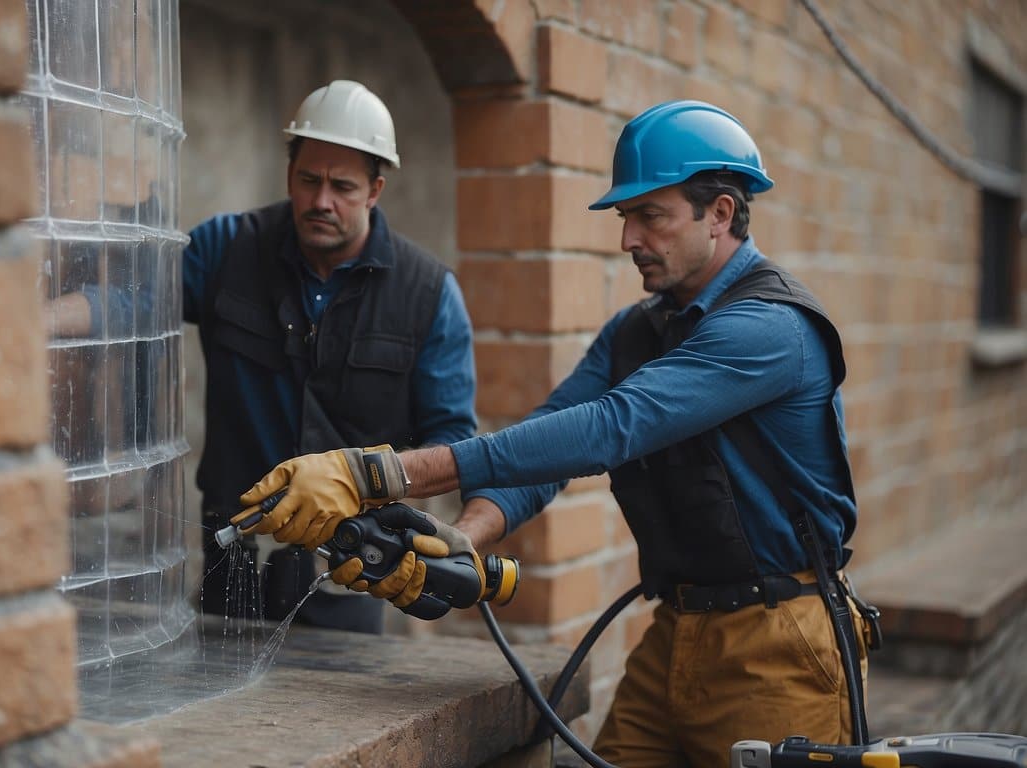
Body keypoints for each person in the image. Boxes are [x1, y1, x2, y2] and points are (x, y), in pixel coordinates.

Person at [234, 100, 874, 765]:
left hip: (781, 641)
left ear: (719, 214)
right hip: (677, 629)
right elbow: (548, 442)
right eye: (627, 217)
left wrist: (378, 474)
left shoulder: (770, 329)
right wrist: (462, 538)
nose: (628, 239)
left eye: (650, 216)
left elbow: (612, 428)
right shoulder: (636, 332)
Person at [54, 80, 477, 635]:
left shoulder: (428, 296)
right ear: (289, 174)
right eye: (309, 180)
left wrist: (384, 503)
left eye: (342, 187)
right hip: (232, 570)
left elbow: (452, 445)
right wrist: (31, 322)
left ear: (375, 190)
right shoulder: (227, 248)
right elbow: (133, 301)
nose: (321, 200)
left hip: (348, 575)